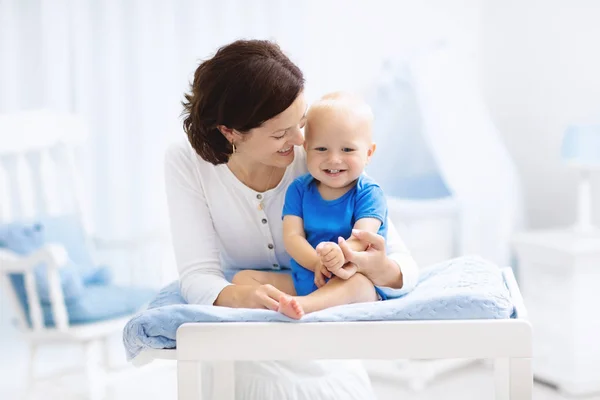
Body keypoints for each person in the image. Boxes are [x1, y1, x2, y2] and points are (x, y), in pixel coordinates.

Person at [166, 39, 419, 400]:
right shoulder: (186, 163)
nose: (301, 139)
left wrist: (378, 268)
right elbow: (198, 275)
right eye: (281, 133)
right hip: (244, 352)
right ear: (230, 131)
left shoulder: (320, 157)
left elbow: (403, 267)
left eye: (300, 122)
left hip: (326, 357)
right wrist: (245, 297)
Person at [232, 92, 390, 319]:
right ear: (306, 148)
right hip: (309, 274)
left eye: (347, 150)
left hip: (348, 275)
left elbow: (362, 237)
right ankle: (293, 302)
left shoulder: (368, 192)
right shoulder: (299, 189)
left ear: (368, 153)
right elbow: (292, 237)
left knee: (359, 285)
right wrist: (317, 262)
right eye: (321, 149)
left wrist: (339, 255)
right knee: (242, 279)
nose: (334, 159)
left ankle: (302, 305)